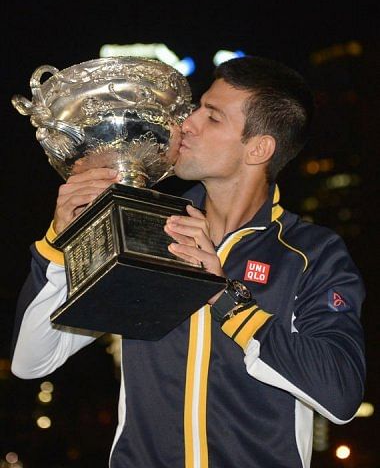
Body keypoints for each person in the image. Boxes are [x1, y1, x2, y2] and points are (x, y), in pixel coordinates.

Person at [11, 56, 366, 468]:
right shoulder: (150, 228)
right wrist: (59, 245)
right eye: (196, 108)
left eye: (212, 117)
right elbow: (32, 360)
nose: (187, 124)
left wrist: (224, 297)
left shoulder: (310, 254)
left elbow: (340, 395)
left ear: (259, 148)